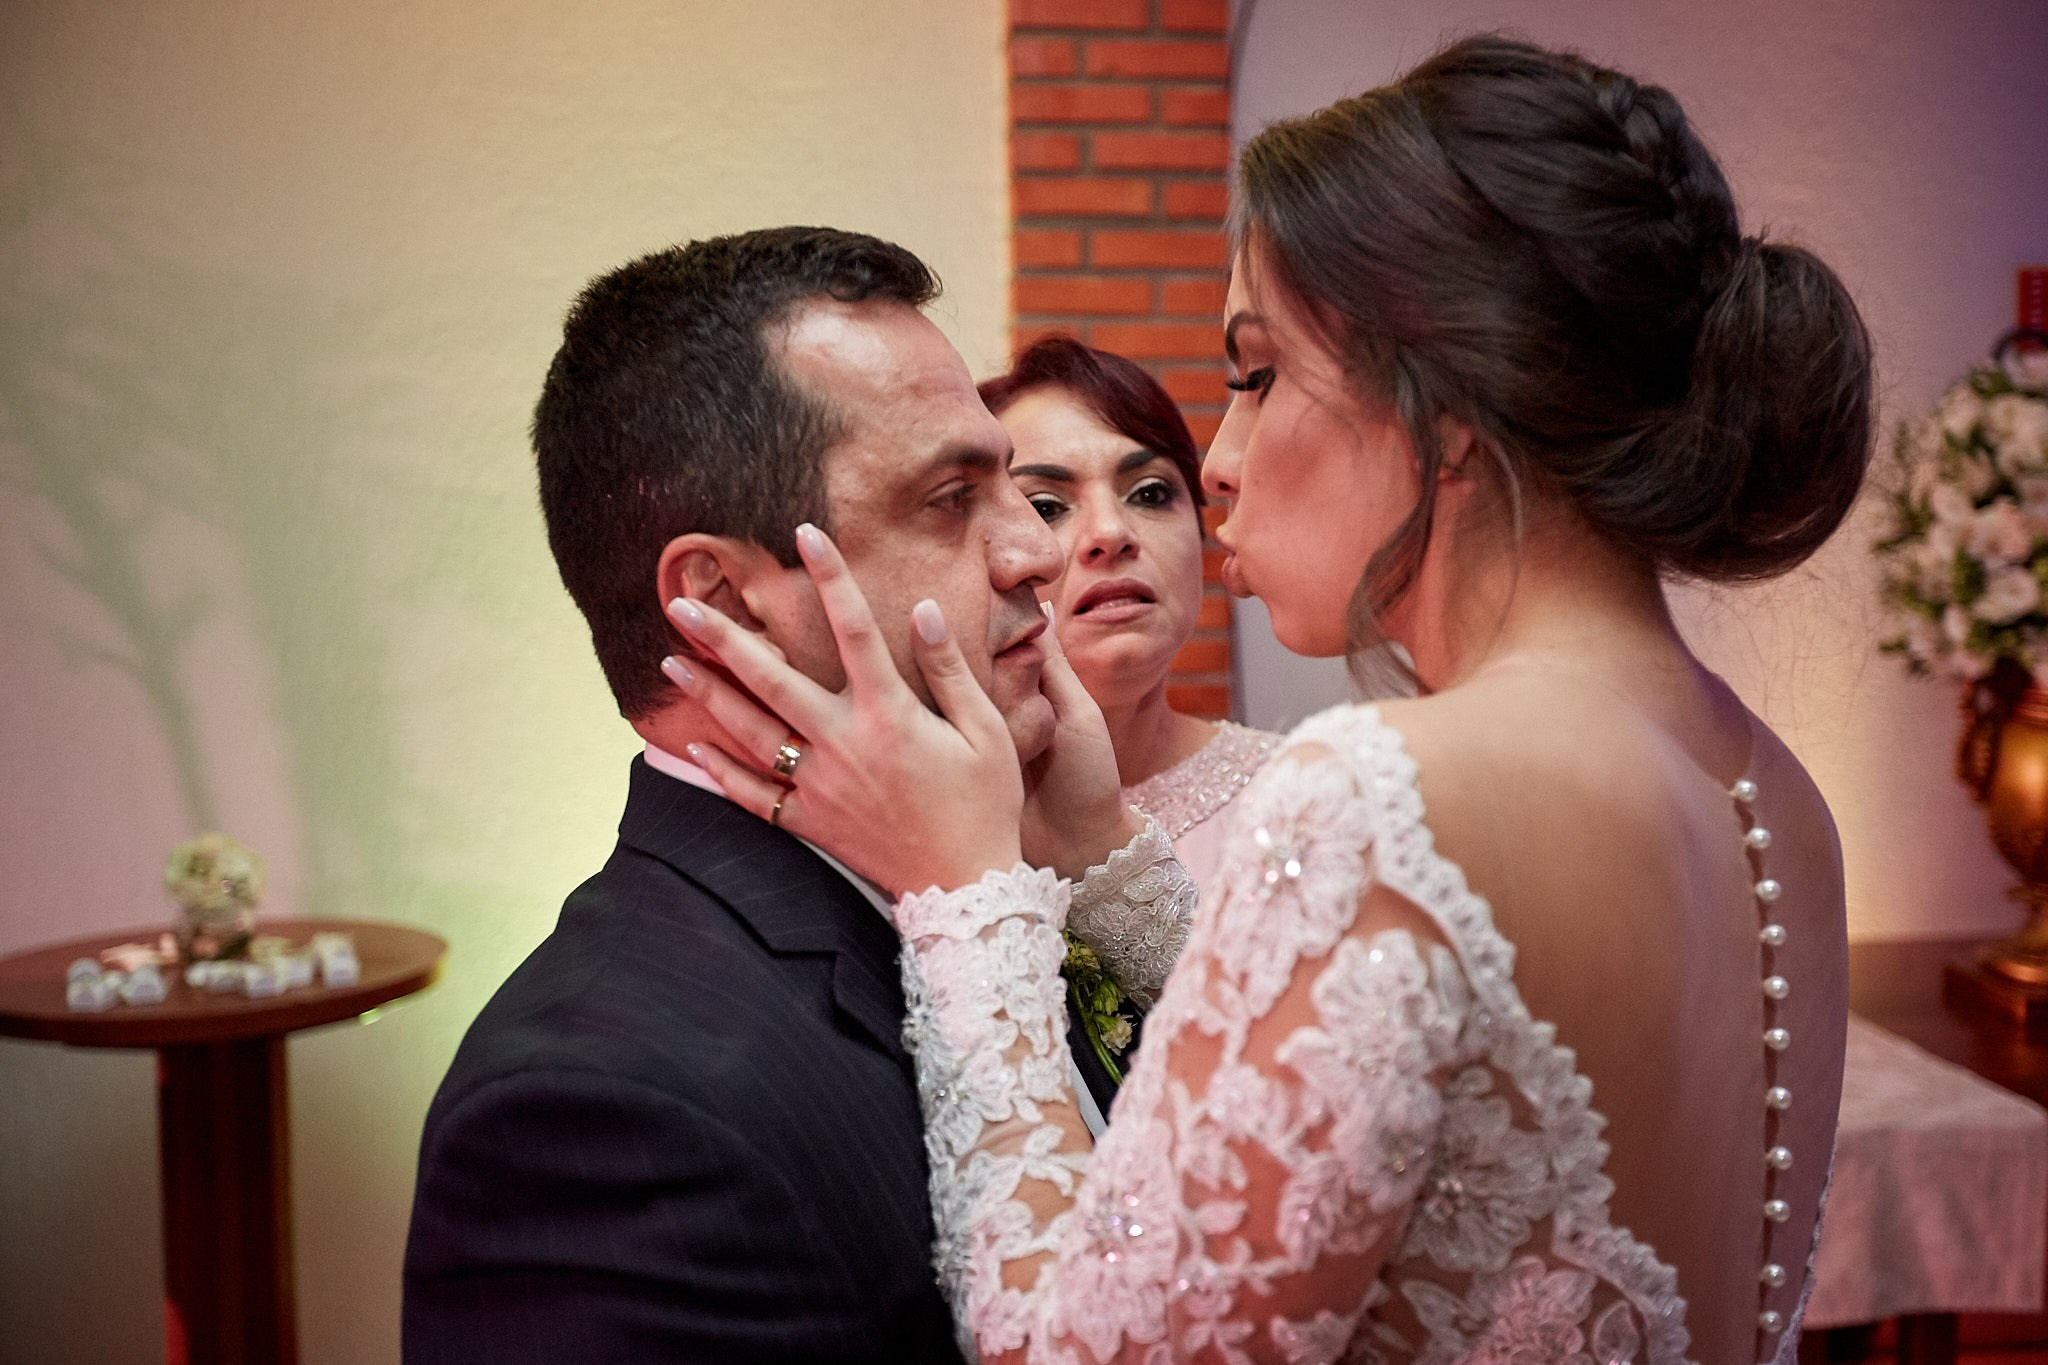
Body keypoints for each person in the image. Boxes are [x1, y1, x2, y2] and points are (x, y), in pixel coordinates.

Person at [668, 35, 1871, 1365]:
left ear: (1449, 401)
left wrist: (968, 895)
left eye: (1256, 374)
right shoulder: (1782, 803)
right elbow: (1380, 1136)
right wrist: (1099, 861)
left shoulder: (1385, 788)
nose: (1221, 462)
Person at [402, 226, 1089, 1362]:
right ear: (721, 599)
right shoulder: (598, 1113)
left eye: (1012, 484)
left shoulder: (1010, 874)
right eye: (950, 498)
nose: (1035, 551)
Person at [982, 337, 1281, 893]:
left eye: (1148, 493)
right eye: (1045, 506)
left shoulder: (1304, 797)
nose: (1111, 535)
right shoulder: (941, 819)